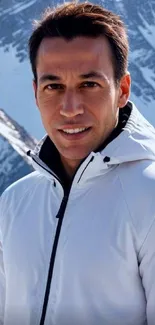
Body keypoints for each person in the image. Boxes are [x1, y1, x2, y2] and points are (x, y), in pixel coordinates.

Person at [0, 1, 155, 325]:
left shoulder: (150, 196)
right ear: (36, 92)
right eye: (53, 86)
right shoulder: (14, 202)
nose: (70, 108)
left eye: (89, 84)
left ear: (122, 90)